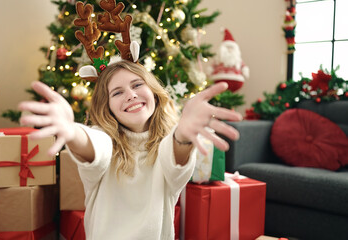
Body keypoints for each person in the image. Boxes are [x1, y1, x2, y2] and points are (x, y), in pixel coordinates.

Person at [18, 60, 242, 239]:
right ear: (108, 108)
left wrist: (183, 136)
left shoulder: (169, 143)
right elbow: (96, 148)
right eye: (117, 93)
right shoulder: (104, 140)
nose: (131, 95)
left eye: (137, 85)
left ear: (154, 92)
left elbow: (176, 162)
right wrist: (73, 132)